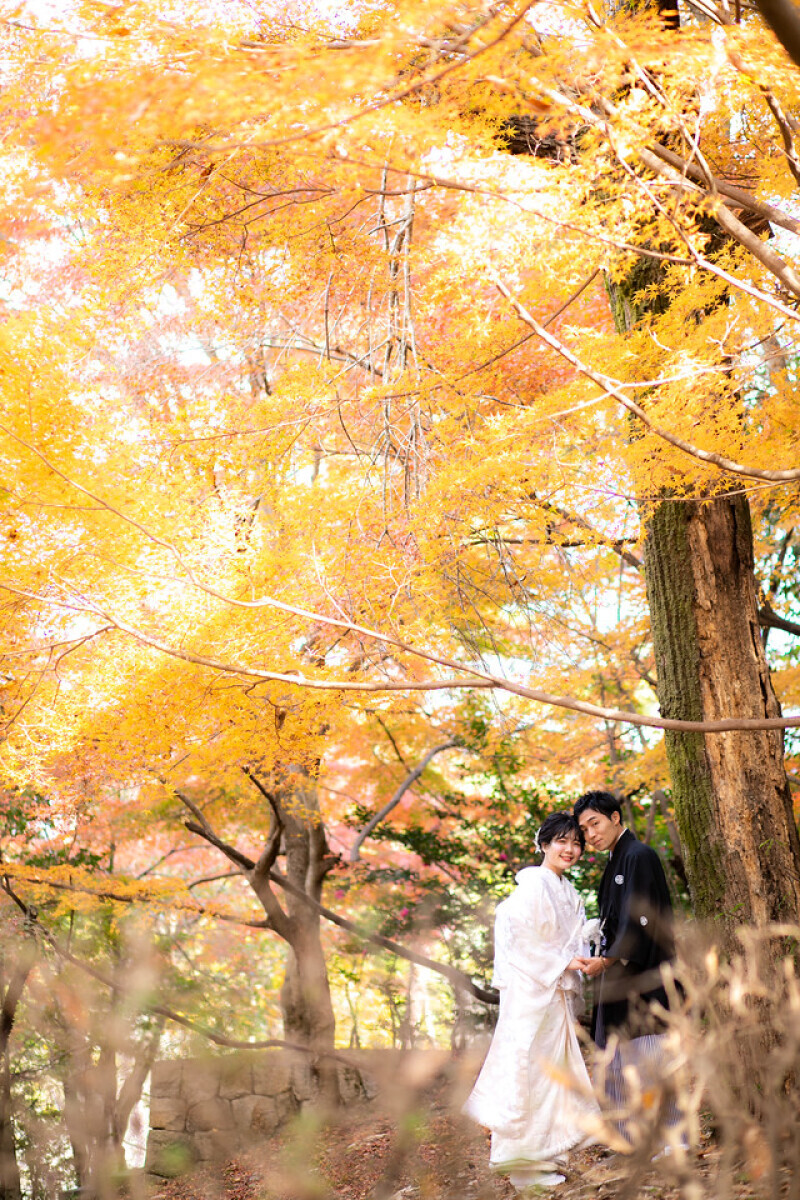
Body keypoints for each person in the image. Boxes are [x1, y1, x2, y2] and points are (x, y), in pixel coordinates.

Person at [463, 813, 600, 1191]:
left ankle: (546, 1157)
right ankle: (522, 1163)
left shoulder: (567, 891)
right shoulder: (533, 885)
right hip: (531, 995)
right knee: (530, 1074)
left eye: (576, 844)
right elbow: (522, 938)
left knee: (554, 1076)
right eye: (562, 842)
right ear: (544, 845)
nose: (570, 850)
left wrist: (584, 951)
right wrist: (564, 961)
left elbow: (570, 942)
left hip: (553, 994)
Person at [574, 790, 678, 1147]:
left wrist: (607, 959)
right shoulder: (617, 860)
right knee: (621, 1058)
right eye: (584, 830)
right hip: (621, 974)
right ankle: (632, 1141)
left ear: (615, 818)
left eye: (595, 823)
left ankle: (671, 1141)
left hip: (645, 975)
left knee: (651, 1056)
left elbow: (643, 919)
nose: (590, 835)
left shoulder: (638, 855)